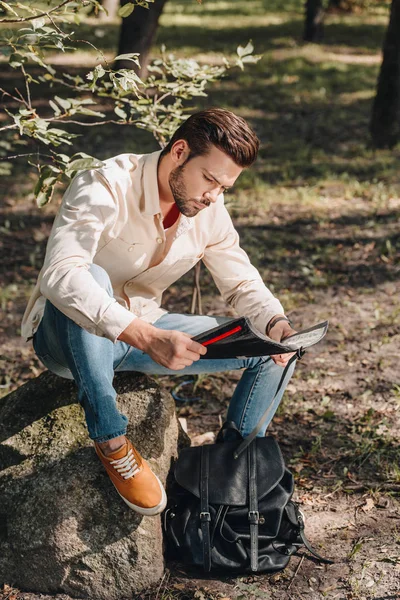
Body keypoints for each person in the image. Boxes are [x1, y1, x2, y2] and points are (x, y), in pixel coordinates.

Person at [22, 108, 297, 517]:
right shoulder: (105, 183)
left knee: (274, 349)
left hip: (148, 328)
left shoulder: (209, 210)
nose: (213, 196)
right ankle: (112, 441)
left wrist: (276, 322)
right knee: (90, 276)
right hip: (67, 338)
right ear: (180, 151)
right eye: (209, 180)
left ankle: (230, 467)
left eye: (224, 188)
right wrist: (145, 336)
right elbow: (61, 275)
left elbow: (242, 283)